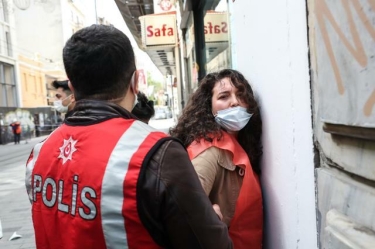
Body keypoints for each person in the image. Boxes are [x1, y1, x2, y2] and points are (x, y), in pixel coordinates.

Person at [25, 25, 232, 249]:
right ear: (135, 82)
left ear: (73, 87)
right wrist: (213, 220)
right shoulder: (156, 152)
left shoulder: (39, 154)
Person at [170, 69, 263, 249]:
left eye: (241, 95)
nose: (235, 102)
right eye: (224, 97)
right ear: (208, 107)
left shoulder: (242, 142)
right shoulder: (209, 151)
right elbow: (181, 212)